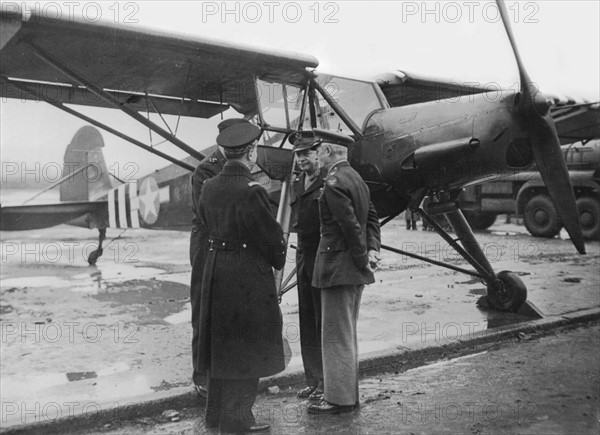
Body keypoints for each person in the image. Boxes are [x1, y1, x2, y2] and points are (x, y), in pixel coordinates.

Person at [197, 122, 287, 432]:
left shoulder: (208, 187)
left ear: (224, 152)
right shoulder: (252, 191)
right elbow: (270, 238)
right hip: (246, 278)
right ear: (251, 152)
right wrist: (278, 254)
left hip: (216, 272)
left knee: (223, 348)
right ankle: (238, 420)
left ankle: (216, 416)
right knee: (247, 348)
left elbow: (206, 226)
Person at [307, 128, 381, 415]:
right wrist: (372, 250)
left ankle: (339, 400)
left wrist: (363, 259)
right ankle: (348, 395)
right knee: (347, 333)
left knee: (335, 335)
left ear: (327, 152)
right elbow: (371, 217)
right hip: (352, 269)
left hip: (338, 268)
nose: (317, 155)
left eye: (319, 150)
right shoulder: (357, 179)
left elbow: (350, 226)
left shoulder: (335, 181)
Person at [189, 118, 249, 398]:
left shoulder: (243, 165)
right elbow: (206, 215)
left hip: (229, 244)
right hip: (207, 244)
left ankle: (226, 372)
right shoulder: (206, 169)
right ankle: (202, 376)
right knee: (203, 308)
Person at [288, 131, 325, 402]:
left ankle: (327, 381)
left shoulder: (329, 181)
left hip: (323, 255)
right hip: (303, 255)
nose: (301, 159)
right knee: (307, 319)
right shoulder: (298, 182)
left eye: (306, 153)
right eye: (298, 155)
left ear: (319, 152)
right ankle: (313, 379)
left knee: (324, 320)